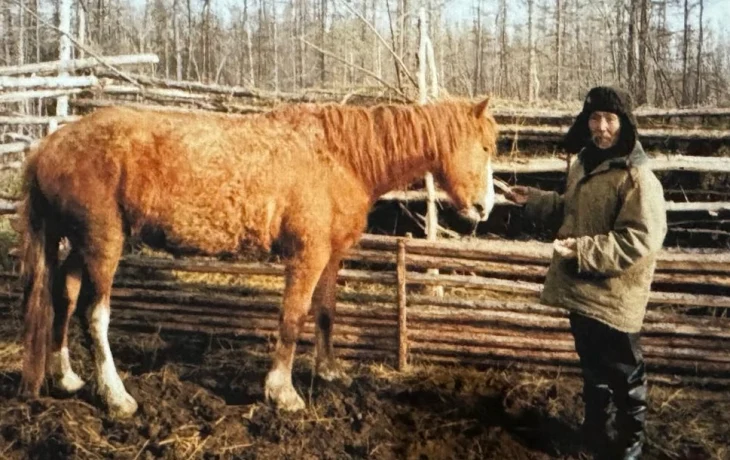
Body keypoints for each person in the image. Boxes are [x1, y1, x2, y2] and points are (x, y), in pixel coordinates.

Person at [505, 86, 667, 460]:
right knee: (593, 368)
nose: (602, 127)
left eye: (610, 119)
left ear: (625, 124)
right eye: (595, 118)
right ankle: (595, 432)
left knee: (625, 375)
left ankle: (629, 445)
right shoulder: (584, 164)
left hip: (615, 295)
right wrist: (535, 200)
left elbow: (640, 239)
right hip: (582, 292)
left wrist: (583, 250)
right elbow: (573, 211)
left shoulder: (637, 177)